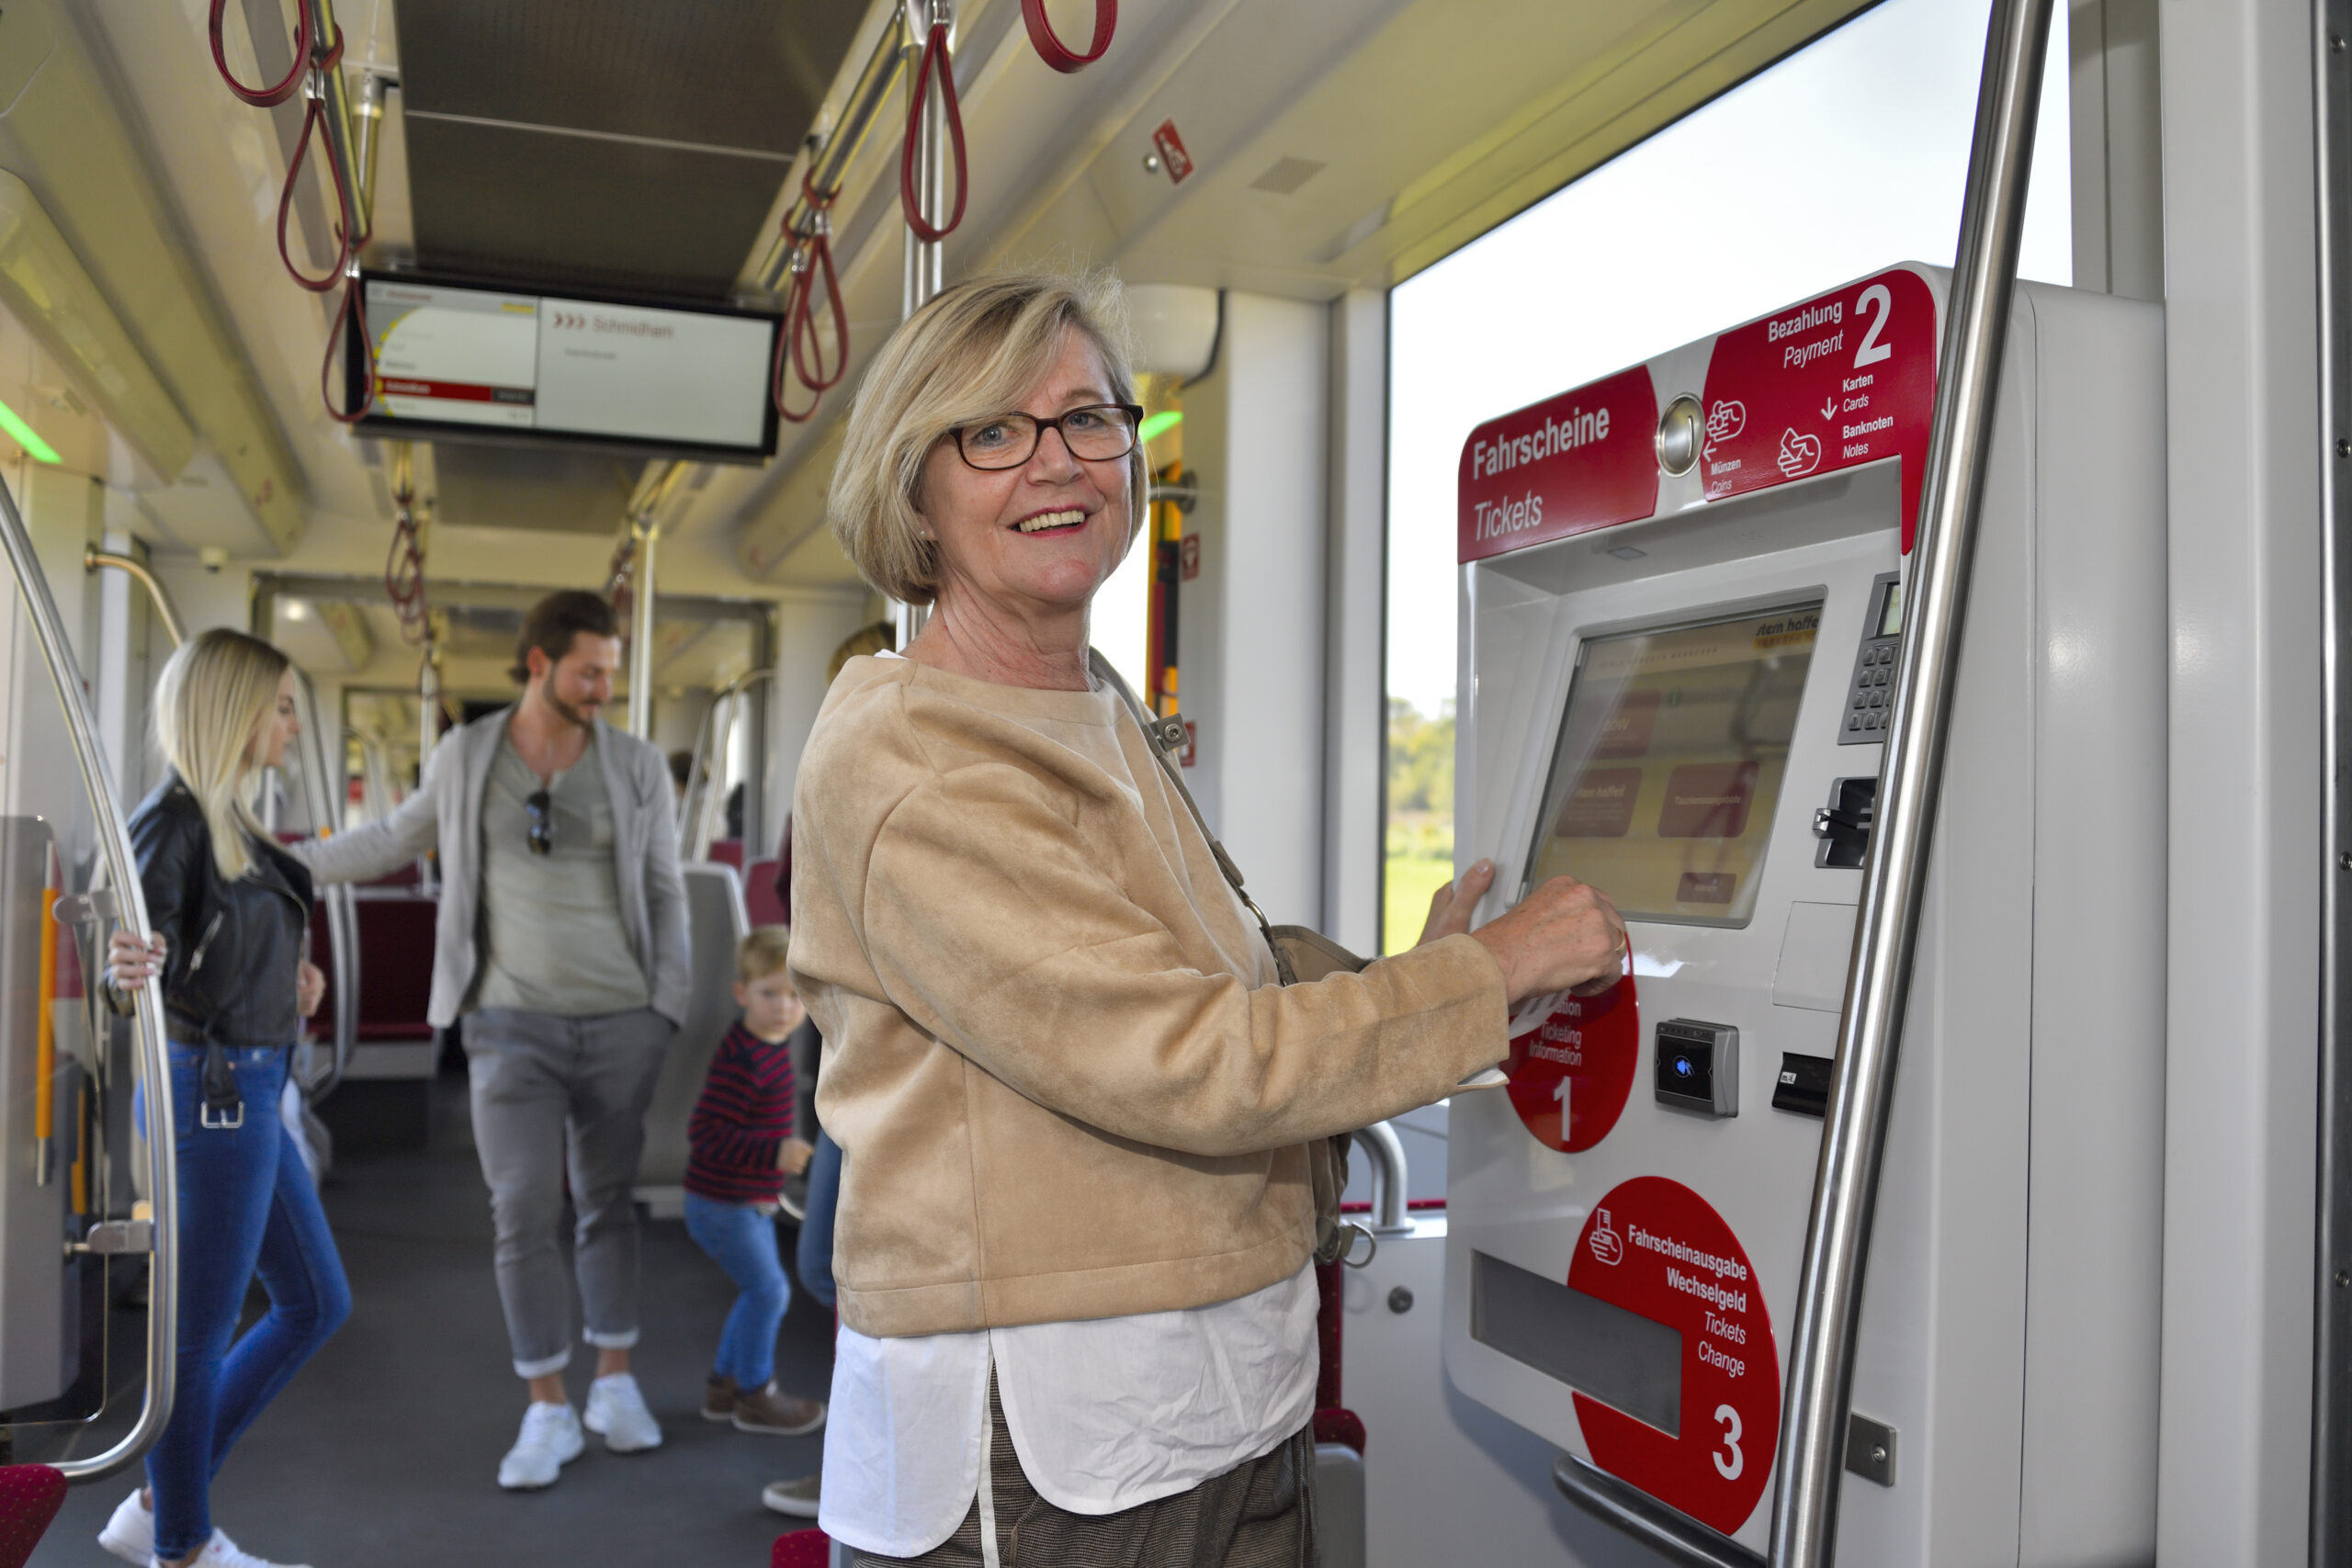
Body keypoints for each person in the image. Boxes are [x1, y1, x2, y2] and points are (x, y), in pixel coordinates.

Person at [789, 272, 1625, 1566]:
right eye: (994, 431)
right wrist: (1476, 980)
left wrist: (1423, 973)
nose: (1057, 461)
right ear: (916, 492)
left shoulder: (1083, 699)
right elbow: (1184, 1056)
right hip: (1056, 1447)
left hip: (1218, 1390)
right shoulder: (915, 760)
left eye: (1087, 418)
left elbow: (1203, 965)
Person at [288, 591, 689, 1491]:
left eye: (611, 674)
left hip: (623, 1018)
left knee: (606, 1201)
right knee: (520, 1208)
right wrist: (281, 862)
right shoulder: (468, 755)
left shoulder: (634, 765)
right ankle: (547, 1403)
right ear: (538, 664)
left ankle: (614, 1383)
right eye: (589, 673)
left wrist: (665, 1006)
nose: (603, 689)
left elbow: (666, 890)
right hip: (508, 1022)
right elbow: (391, 838)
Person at [100, 629, 351, 1568]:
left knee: (316, 1302)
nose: (291, 724)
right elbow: (134, 969)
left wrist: (293, 978)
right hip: (212, 1097)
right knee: (196, 1340)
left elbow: (219, 950)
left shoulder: (228, 823)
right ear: (235, 711)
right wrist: (125, 971)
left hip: (250, 1090)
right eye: (280, 706)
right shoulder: (168, 826)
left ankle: (158, 1506)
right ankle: (180, 1544)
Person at [684, 926, 825, 1437]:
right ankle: (755, 1395)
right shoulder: (743, 1059)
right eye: (770, 994)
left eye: (795, 995)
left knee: (757, 1291)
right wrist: (775, 1151)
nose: (784, 1007)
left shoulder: (767, 1044)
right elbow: (705, 1133)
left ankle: (723, 1387)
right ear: (742, 993)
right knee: (769, 1292)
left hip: (748, 1200)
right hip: (723, 1203)